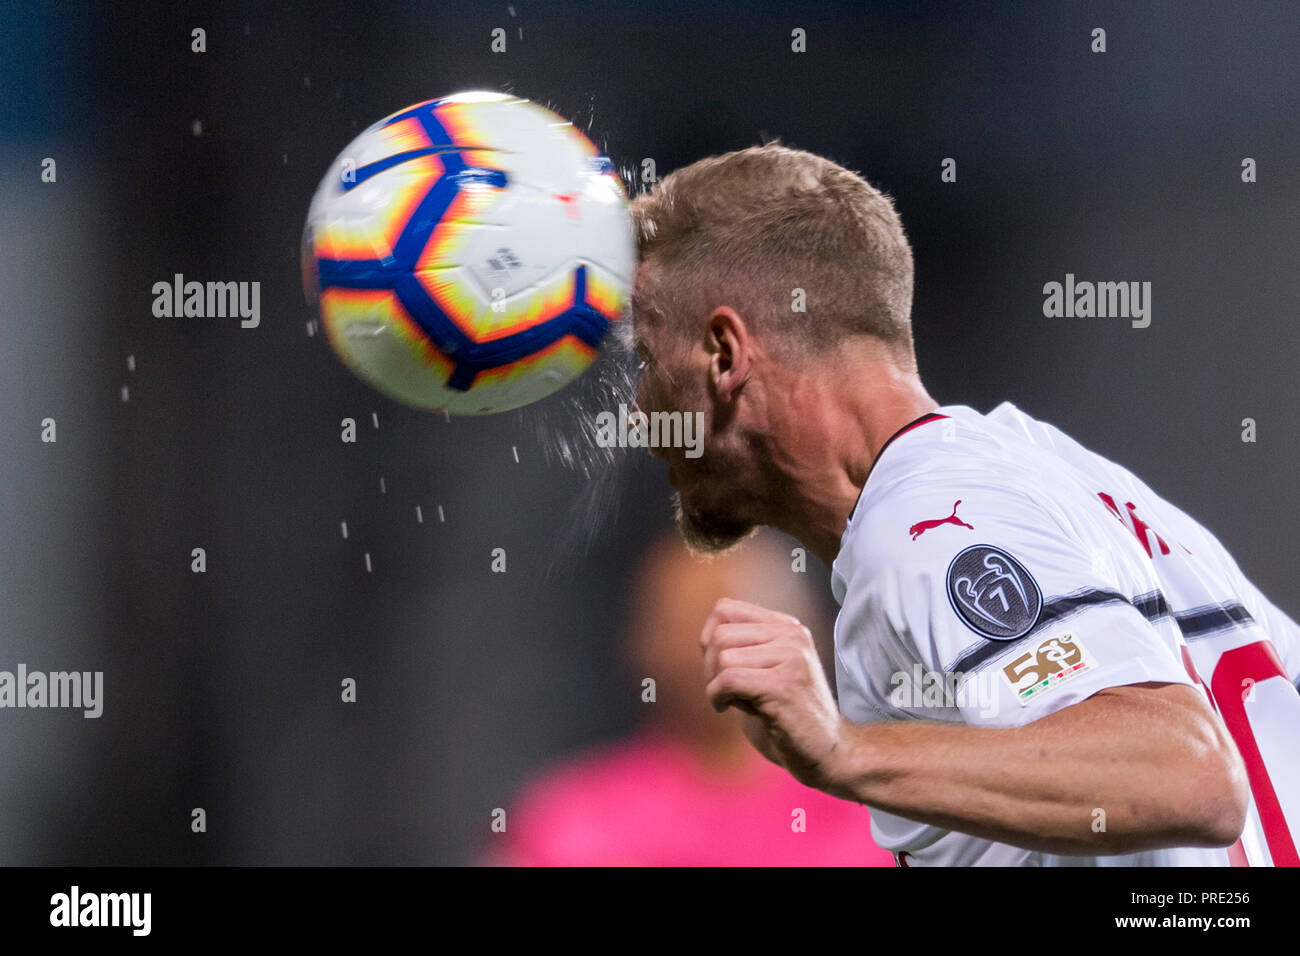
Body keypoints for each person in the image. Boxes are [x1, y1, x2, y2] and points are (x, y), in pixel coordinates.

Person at [626, 142, 1300, 866]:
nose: (639, 412)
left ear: (725, 354)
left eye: (645, 358)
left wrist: (843, 751)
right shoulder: (1045, 474)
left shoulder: (927, 519)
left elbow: (1190, 779)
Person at [493, 532, 894, 866]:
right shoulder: (569, 820)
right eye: (675, 625)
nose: (702, 648)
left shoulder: (881, 818)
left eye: (733, 624)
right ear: (637, 642)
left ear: (809, 637)